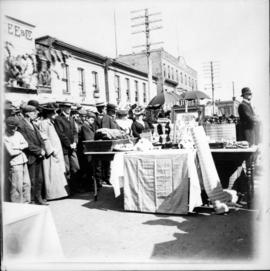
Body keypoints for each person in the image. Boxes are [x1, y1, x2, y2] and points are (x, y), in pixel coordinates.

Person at [38, 103, 69, 200]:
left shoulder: (51, 122)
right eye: (54, 113)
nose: (56, 115)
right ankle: (52, 194)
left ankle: (59, 193)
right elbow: (44, 138)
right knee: (51, 173)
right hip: (51, 153)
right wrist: (51, 151)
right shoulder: (44, 123)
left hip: (56, 151)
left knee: (57, 172)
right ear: (48, 114)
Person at [17, 105, 48, 205]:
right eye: (34, 112)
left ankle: (39, 198)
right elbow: (26, 142)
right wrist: (39, 151)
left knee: (39, 179)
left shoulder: (32, 123)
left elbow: (40, 138)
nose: (36, 114)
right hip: (31, 156)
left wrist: (43, 149)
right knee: (31, 180)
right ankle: (32, 200)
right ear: (27, 113)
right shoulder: (21, 125)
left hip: (38, 156)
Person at [54, 102, 81, 194]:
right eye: (66, 107)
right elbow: (61, 134)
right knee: (67, 169)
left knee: (76, 167)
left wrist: (75, 142)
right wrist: (69, 144)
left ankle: (75, 187)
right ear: (62, 108)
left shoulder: (71, 118)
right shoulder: (58, 119)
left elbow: (75, 132)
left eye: (69, 107)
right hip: (65, 148)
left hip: (72, 147)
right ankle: (69, 189)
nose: (69, 109)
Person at [4, 116, 31, 203]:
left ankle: (27, 202)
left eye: (15, 127)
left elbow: (26, 144)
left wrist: (17, 147)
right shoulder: (4, 137)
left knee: (26, 184)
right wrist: (20, 148)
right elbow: (11, 152)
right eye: (11, 128)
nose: (14, 129)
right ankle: (17, 205)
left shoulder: (18, 134)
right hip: (15, 163)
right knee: (16, 187)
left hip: (23, 160)